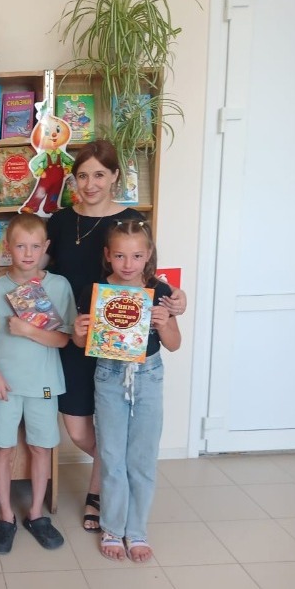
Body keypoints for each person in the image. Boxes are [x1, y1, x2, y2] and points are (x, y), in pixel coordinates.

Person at [46, 140, 186, 532]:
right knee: (79, 430)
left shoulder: (131, 219)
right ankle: (117, 474)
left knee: (113, 426)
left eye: (99, 175)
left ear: (114, 177)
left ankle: (100, 495)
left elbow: (150, 274)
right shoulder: (59, 222)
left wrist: (177, 298)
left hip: (123, 346)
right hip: (76, 335)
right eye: (83, 175)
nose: (90, 184)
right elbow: (39, 268)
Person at [71, 219, 182, 562]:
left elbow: (175, 344)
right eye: (120, 256)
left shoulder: (160, 292)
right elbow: (80, 342)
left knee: (143, 458)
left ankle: (136, 531)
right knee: (112, 455)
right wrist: (79, 331)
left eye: (136, 256)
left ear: (148, 255)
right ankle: (112, 528)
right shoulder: (95, 291)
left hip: (148, 375)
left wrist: (165, 324)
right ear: (108, 255)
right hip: (109, 374)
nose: (128, 264)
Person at [0, 213, 77, 553]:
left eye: (35, 247)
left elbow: (63, 340)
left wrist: (28, 329)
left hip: (43, 383)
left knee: (41, 447)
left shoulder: (59, 286)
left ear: (46, 247)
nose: (28, 253)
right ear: (7, 247)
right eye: (20, 246)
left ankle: (36, 513)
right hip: (3, 384)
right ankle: (5, 515)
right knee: (2, 449)